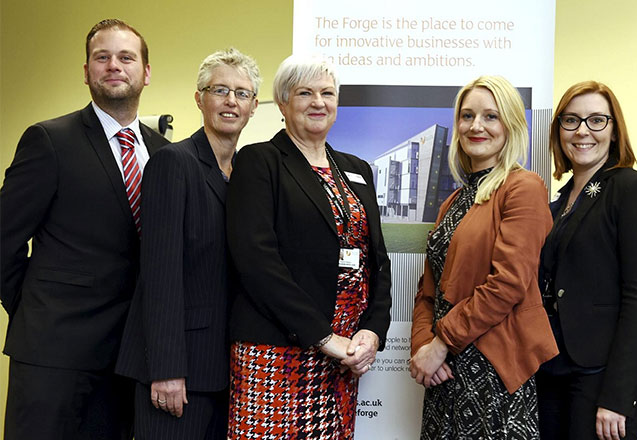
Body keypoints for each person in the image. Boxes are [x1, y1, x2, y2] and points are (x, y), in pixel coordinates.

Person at [0, 19, 168, 439]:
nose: (114, 65)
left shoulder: (166, 155)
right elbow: (3, 239)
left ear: (146, 72)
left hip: (129, 361)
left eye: (126, 57)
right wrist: (35, 309)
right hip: (53, 356)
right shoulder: (49, 140)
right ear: (87, 70)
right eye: (102, 57)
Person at [225, 54, 392, 439]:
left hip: (344, 356)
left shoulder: (357, 169)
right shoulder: (260, 161)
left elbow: (375, 259)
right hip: (280, 351)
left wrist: (372, 331)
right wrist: (322, 336)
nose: (319, 102)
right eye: (305, 93)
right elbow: (255, 259)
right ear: (283, 104)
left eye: (327, 93)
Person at [115, 48, 260, 439]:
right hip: (176, 375)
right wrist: (165, 370)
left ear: (254, 107)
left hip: (226, 371)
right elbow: (159, 274)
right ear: (199, 98)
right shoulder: (173, 163)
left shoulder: (248, 174)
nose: (231, 101)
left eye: (242, 93)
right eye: (220, 90)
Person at [409, 75, 557, 439]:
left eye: (490, 116)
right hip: (444, 372)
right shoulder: (452, 202)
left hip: (492, 370)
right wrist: (422, 348)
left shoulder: (523, 188)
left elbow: (508, 284)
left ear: (510, 126)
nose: (476, 126)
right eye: (468, 115)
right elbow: (427, 291)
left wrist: (441, 343)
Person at [535, 81, 637, 440]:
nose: (582, 131)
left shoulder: (633, 189)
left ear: (614, 130)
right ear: (558, 130)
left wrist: (617, 397)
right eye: (571, 120)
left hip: (607, 373)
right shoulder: (558, 204)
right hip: (555, 366)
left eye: (596, 120)